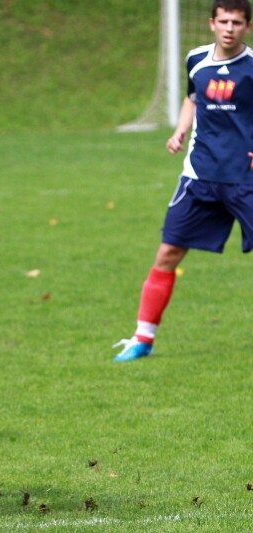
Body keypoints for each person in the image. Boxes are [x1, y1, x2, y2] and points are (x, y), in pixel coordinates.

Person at [113, 0, 253, 362]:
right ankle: (142, 339)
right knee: (168, 253)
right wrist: (180, 130)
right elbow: (193, 98)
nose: (229, 28)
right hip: (199, 177)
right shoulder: (196, 59)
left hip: (246, 178)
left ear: (247, 27)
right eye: (224, 21)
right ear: (211, 23)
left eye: (237, 22)